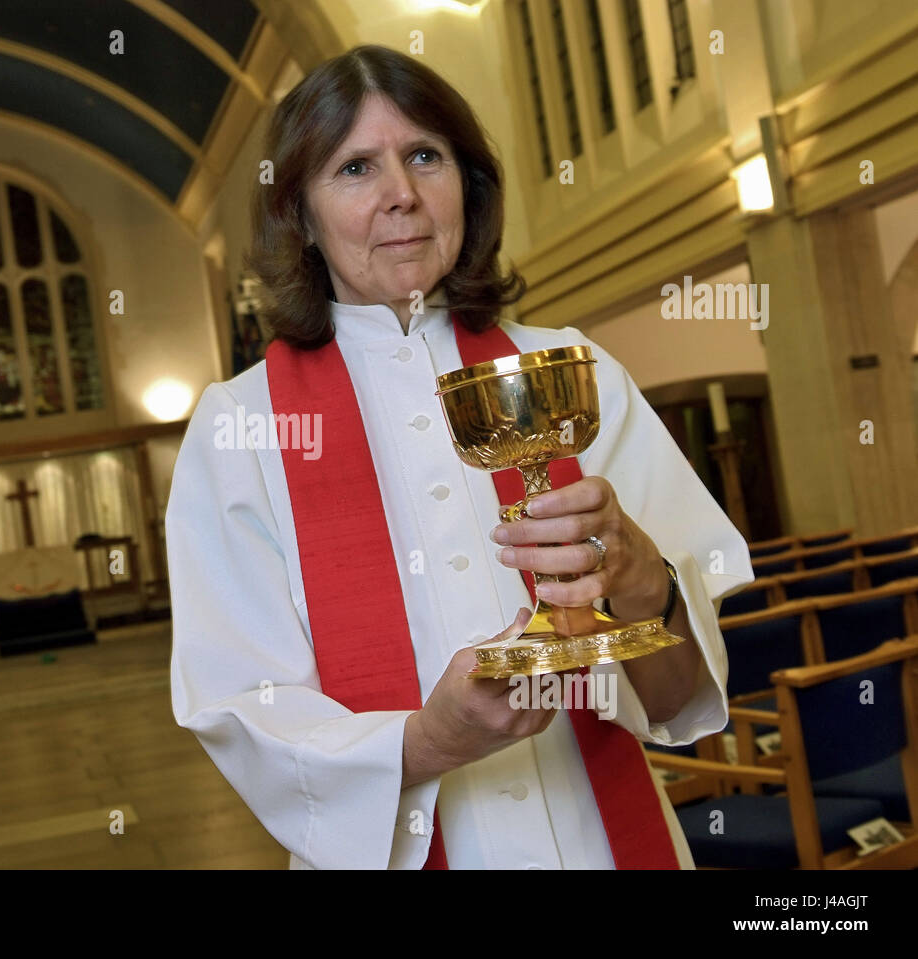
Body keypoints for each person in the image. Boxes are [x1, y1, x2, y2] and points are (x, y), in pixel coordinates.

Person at [166, 45, 752, 869]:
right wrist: (423, 741)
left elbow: (680, 696)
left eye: (425, 156)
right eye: (356, 167)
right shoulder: (243, 428)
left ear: (466, 186)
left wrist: (647, 584)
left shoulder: (569, 369)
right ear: (298, 212)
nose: (400, 194)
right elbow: (243, 706)